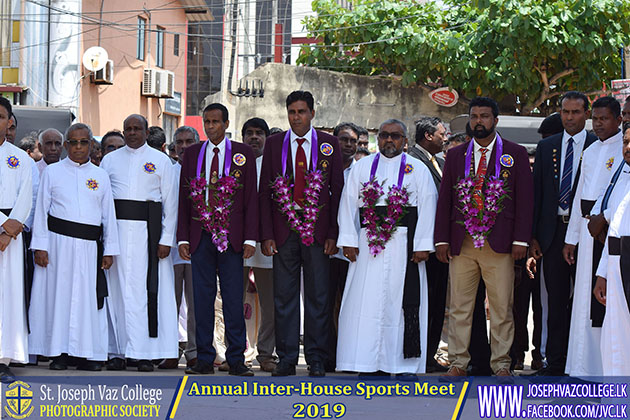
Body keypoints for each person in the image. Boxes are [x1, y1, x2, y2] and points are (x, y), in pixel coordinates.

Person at [435, 96, 534, 378]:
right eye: (474, 116)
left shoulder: (514, 153)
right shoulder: (456, 155)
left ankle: (501, 364)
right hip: (463, 242)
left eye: (484, 116)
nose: (479, 121)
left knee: (502, 307)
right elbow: (445, 200)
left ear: (495, 120)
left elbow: (525, 200)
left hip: (500, 244)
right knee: (460, 307)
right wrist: (441, 239)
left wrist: (521, 241)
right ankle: (457, 362)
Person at [336, 119, 436, 375]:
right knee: (365, 305)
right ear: (377, 139)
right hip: (368, 247)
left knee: (400, 306)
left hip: (405, 247)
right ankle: (368, 364)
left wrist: (423, 245)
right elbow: (348, 203)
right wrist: (348, 240)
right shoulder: (362, 167)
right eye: (384, 135)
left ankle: (402, 365)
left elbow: (428, 206)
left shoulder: (418, 169)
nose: (389, 140)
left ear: (405, 141)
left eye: (395, 135)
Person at [259, 90, 343, 377]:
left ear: (312, 113)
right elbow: (265, 192)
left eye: (302, 112)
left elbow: (337, 191)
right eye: (292, 112)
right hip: (284, 230)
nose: (296, 117)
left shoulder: (329, 144)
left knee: (319, 297)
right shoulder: (274, 144)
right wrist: (267, 234)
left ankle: (317, 358)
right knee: (284, 297)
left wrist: (333, 233)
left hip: (318, 231)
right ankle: (287, 358)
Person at [29, 123, 119, 371]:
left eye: (83, 142)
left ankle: (87, 354)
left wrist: (110, 250)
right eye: (73, 142)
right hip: (58, 246)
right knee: (59, 299)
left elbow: (108, 215)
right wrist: (40, 246)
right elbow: (41, 212)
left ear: (91, 145)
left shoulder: (100, 175)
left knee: (87, 301)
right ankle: (59, 353)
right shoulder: (52, 172)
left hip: (89, 248)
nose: (78, 147)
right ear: (66, 145)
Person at [178, 104, 258, 376]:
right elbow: (184, 199)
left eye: (215, 122)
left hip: (231, 238)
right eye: (207, 122)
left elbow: (250, 198)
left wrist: (250, 238)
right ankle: (204, 358)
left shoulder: (242, 154)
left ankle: (236, 359)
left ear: (226, 124)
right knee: (202, 299)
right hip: (200, 235)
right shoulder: (193, 154)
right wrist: (182, 238)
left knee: (233, 299)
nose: (210, 127)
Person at [101, 114, 179, 372]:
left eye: (137, 128)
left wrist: (166, 239)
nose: (132, 132)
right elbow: (103, 201)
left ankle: (145, 353)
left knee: (147, 293)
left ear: (147, 132)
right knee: (117, 293)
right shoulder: (110, 160)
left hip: (149, 236)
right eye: (128, 129)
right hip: (117, 235)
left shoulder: (161, 160)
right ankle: (117, 351)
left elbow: (171, 203)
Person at [529, 91, 596, 376]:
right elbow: (537, 193)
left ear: (586, 114)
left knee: (585, 299)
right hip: (553, 232)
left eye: (576, 112)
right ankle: (555, 362)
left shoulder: (597, 145)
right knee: (554, 301)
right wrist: (533, 236)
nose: (570, 118)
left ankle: (583, 361)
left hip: (587, 235)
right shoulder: (547, 147)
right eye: (565, 112)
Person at [562, 96, 623, 377]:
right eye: (595, 119)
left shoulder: (623, 149)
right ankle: (581, 369)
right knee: (583, 303)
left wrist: (604, 218)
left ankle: (603, 371)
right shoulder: (590, 150)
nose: (598, 124)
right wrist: (571, 238)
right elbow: (579, 197)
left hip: (608, 233)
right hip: (587, 236)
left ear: (618, 119)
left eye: (604, 119)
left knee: (603, 303)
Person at [407, 116, 449, 373]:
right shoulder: (411, 162)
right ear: (428, 136)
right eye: (442, 134)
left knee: (437, 302)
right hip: (420, 247)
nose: (445, 138)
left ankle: (430, 354)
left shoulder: (441, 163)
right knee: (421, 302)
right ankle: (416, 353)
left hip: (440, 245)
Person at [159, 126, 200, 370]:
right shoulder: (167, 171)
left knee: (196, 303)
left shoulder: (205, 169)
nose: (184, 147)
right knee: (169, 301)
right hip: (170, 247)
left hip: (197, 247)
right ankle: (169, 350)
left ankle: (194, 351)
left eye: (189, 141)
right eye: (180, 142)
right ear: (173, 147)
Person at [240, 117, 277, 372]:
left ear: (266, 137)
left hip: (266, 242)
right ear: (242, 138)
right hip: (238, 242)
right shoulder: (233, 163)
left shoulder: (274, 165)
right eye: (249, 133)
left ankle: (266, 353)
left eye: (259, 133)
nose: (254, 137)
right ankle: (235, 352)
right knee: (233, 299)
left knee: (269, 303)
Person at [0, 97, 32, 382]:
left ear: (9, 122)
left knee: (8, 295)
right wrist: (1, 224)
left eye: (0, 117)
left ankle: (3, 357)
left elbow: (26, 196)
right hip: (5, 228)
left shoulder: (20, 157)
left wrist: (9, 231)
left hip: (12, 237)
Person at [593, 129, 630, 375]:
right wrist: (602, 273)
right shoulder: (622, 179)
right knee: (615, 330)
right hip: (616, 261)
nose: (628, 147)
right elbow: (613, 231)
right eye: (626, 142)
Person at [327, 121, 360, 371]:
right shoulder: (323, 169)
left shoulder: (364, 172)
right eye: (343, 139)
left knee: (351, 304)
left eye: (353, 141)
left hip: (355, 251)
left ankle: (350, 354)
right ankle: (328, 355)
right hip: (327, 249)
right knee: (326, 304)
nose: (348, 145)